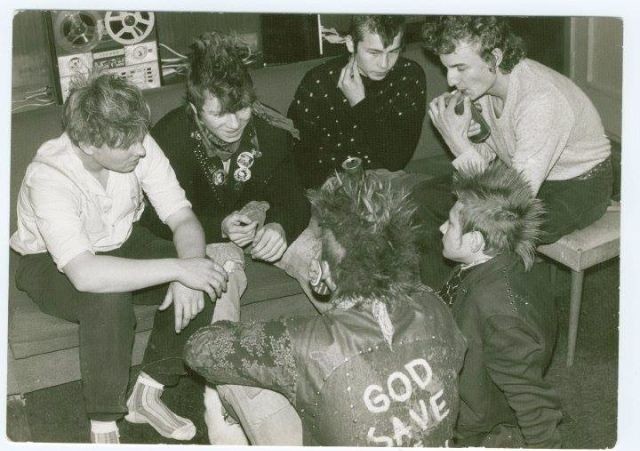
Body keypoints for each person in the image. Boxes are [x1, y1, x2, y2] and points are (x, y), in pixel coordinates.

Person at [9, 73, 228, 444]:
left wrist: (191, 268)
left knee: (206, 272)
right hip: (49, 264)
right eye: (127, 145)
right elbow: (85, 273)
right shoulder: (48, 177)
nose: (140, 150)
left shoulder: (135, 140)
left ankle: (148, 393)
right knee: (108, 297)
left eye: (140, 138)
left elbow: (181, 216)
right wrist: (179, 269)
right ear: (87, 143)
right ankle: (103, 422)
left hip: (122, 240)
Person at [184, 169, 467, 447]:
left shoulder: (308, 344)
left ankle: (220, 422)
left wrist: (229, 273)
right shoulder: (433, 305)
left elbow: (199, 349)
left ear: (327, 272)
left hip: (316, 376)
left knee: (241, 370)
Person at [139, 31, 312, 445]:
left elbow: (295, 197)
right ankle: (221, 400)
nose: (234, 123)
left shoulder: (270, 127)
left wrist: (280, 227)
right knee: (221, 274)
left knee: (317, 255)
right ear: (195, 108)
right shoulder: (170, 136)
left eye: (242, 109)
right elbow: (153, 220)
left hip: (263, 221)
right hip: (206, 234)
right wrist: (219, 226)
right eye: (220, 114)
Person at [413, 15, 613, 287]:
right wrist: (472, 138)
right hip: (521, 174)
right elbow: (488, 161)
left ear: (494, 58)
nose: (450, 80)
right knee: (425, 198)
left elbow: (507, 208)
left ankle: (484, 301)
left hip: (579, 184)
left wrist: (457, 144)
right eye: (447, 68)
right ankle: (442, 295)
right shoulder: (481, 87)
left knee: (494, 231)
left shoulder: (540, 100)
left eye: (460, 67)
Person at [438, 160, 562, 447]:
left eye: (451, 224)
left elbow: (531, 398)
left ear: (475, 241)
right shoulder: (492, 261)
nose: (441, 227)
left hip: (468, 418)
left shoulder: (500, 310)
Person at [287, 15, 427, 189]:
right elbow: (298, 156)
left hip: (388, 181)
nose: (384, 64)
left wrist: (360, 104)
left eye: (393, 51)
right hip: (332, 186)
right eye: (374, 53)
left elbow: (396, 161)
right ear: (351, 44)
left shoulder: (409, 75)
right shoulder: (319, 81)